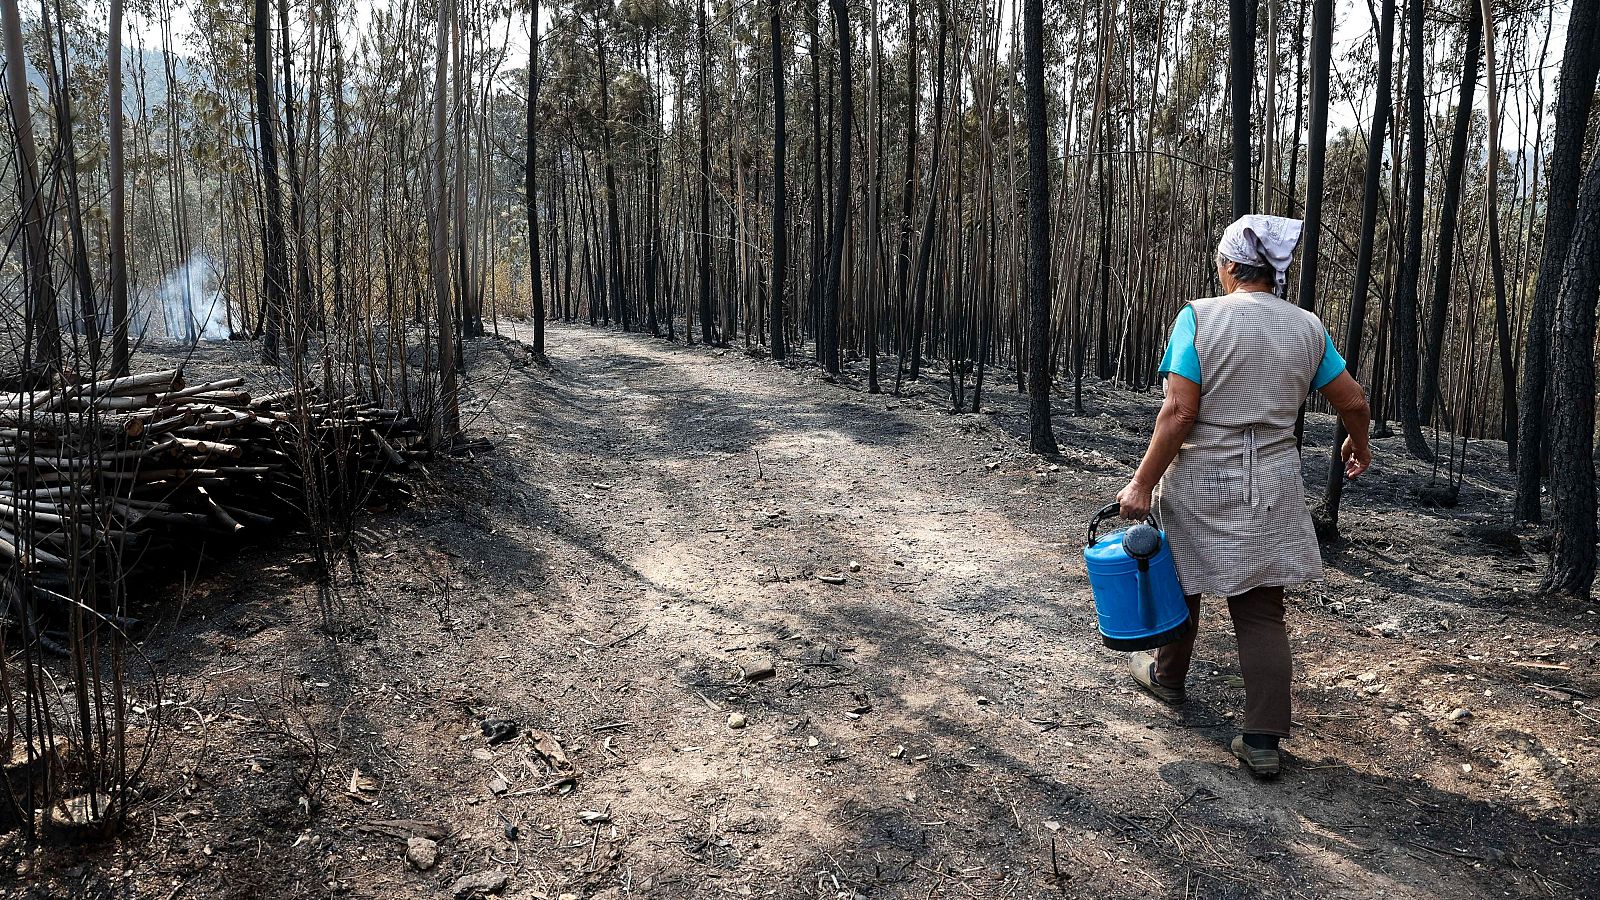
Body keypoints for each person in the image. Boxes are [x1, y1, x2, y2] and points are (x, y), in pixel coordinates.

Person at [1114, 214, 1373, 779]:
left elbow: (1181, 411)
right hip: (1275, 482)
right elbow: (1352, 400)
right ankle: (1261, 739)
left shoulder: (1198, 319)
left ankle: (1168, 679)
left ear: (1230, 267)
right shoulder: (1307, 327)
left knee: (1183, 587)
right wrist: (1360, 446)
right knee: (1261, 613)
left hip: (1205, 477)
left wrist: (1141, 482)